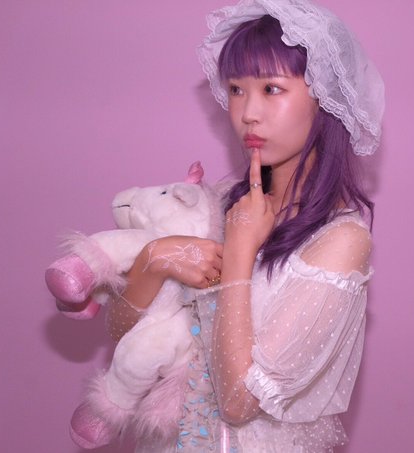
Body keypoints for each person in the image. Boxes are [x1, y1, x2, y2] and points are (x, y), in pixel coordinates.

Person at [106, 0, 384, 451]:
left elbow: (238, 403)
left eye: (272, 88)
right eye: (236, 89)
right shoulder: (220, 203)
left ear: (325, 99)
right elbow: (122, 337)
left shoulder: (341, 240)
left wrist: (238, 252)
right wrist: (153, 260)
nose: (248, 112)